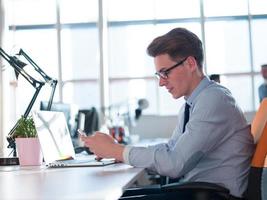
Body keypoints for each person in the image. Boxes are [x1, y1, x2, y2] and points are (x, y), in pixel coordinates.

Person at [80, 28, 254, 198]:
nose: (161, 83)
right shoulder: (193, 104)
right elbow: (171, 149)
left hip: (210, 195)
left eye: (165, 73)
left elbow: (175, 163)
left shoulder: (214, 101)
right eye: (159, 75)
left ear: (190, 64)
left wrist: (117, 150)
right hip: (194, 191)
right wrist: (120, 152)